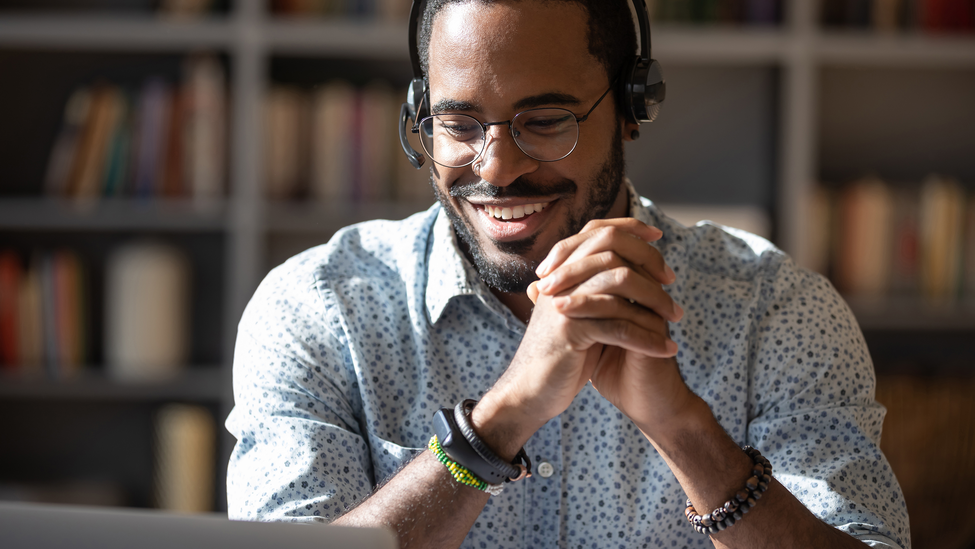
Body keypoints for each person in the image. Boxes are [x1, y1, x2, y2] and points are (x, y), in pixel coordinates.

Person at [225, 1, 911, 547]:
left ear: (631, 110)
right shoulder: (318, 310)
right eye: (459, 125)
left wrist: (682, 428)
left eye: (545, 120)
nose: (495, 168)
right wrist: (501, 418)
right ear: (419, 119)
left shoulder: (778, 311)